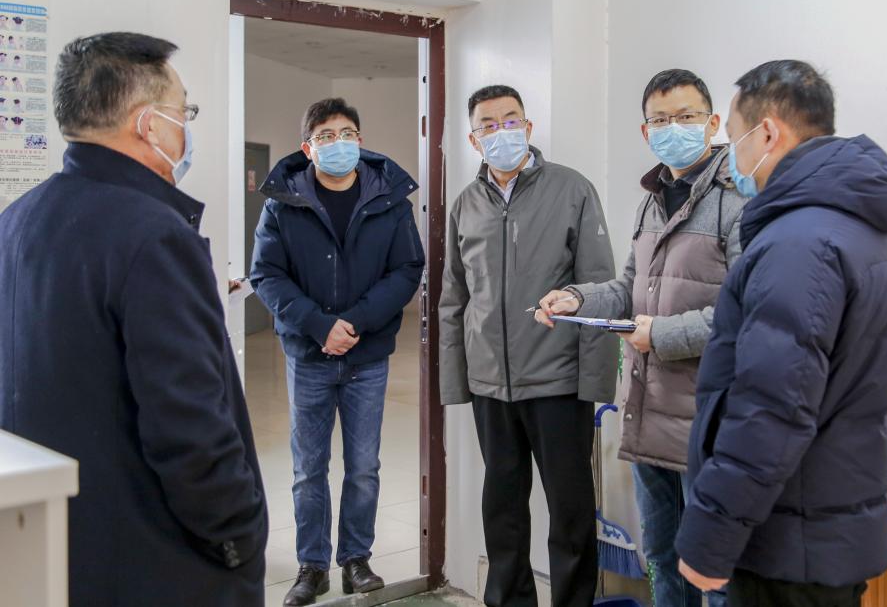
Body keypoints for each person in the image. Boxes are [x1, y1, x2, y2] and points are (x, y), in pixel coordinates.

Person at [0, 32, 268, 606]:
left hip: (55, 548)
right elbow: (189, 424)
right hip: (156, 562)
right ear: (149, 125)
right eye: (184, 112)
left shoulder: (16, 220)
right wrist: (238, 540)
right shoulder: (154, 236)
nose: (186, 128)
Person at [675, 60, 887, 606]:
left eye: (734, 137)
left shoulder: (799, 245)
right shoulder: (854, 227)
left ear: (767, 133)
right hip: (822, 527)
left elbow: (771, 409)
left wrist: (711, 536)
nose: (732, 156)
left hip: (791, 539)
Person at [536, 69, 745, 607]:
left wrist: (664, 334)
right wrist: (578, 298)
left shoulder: (739, 198)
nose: (673, 128)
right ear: (645, 131)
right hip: (648, 410)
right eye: (660, 120)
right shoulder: (652, 200)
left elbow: (748, 314)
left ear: (713, 123)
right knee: (662, 558)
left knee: (715, 572)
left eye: (686, 116)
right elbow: (630, 289)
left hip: (709, 420)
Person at [439, 85, 618, 607]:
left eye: (510, 120)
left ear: (528, 127)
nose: (502, 132)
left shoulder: (572, 189)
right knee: (502, 508)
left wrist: (595, 381)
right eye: (488, 125)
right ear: (474, 138)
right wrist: (457, 381)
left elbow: (599, 287)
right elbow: (454, 297)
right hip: (491, 384)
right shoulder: (465, 205)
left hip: (557, 380)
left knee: (570, 509)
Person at [250, 97, 424, 606]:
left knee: (364, 465)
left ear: (360, 141)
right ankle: (312, 566)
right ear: (308, 148)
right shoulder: (283, 203)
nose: (338, 143)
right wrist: (320, 325)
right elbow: (266, 274)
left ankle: (355, 560)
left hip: (367, 356)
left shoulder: (390, 199)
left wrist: (356, 322)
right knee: (309, 468)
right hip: (309, 355)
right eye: (325, 136)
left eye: (346, 133)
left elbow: (407, 269)